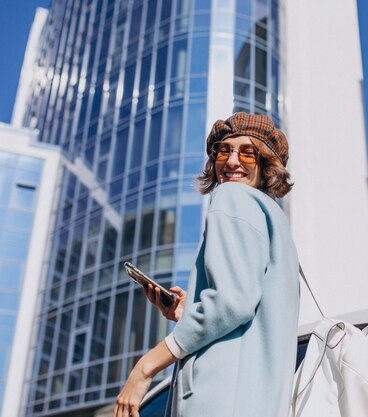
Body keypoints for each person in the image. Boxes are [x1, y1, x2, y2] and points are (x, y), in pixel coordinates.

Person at [114, 113, 300, 417]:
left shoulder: (232, 197)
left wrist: (145, 368)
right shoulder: (275, 222)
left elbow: (232, 303)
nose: (231, 161)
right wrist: (188, 315)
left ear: (266, 163)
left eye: (247, 152)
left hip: (220, 400)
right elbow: (246, 307)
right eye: (223, 151)